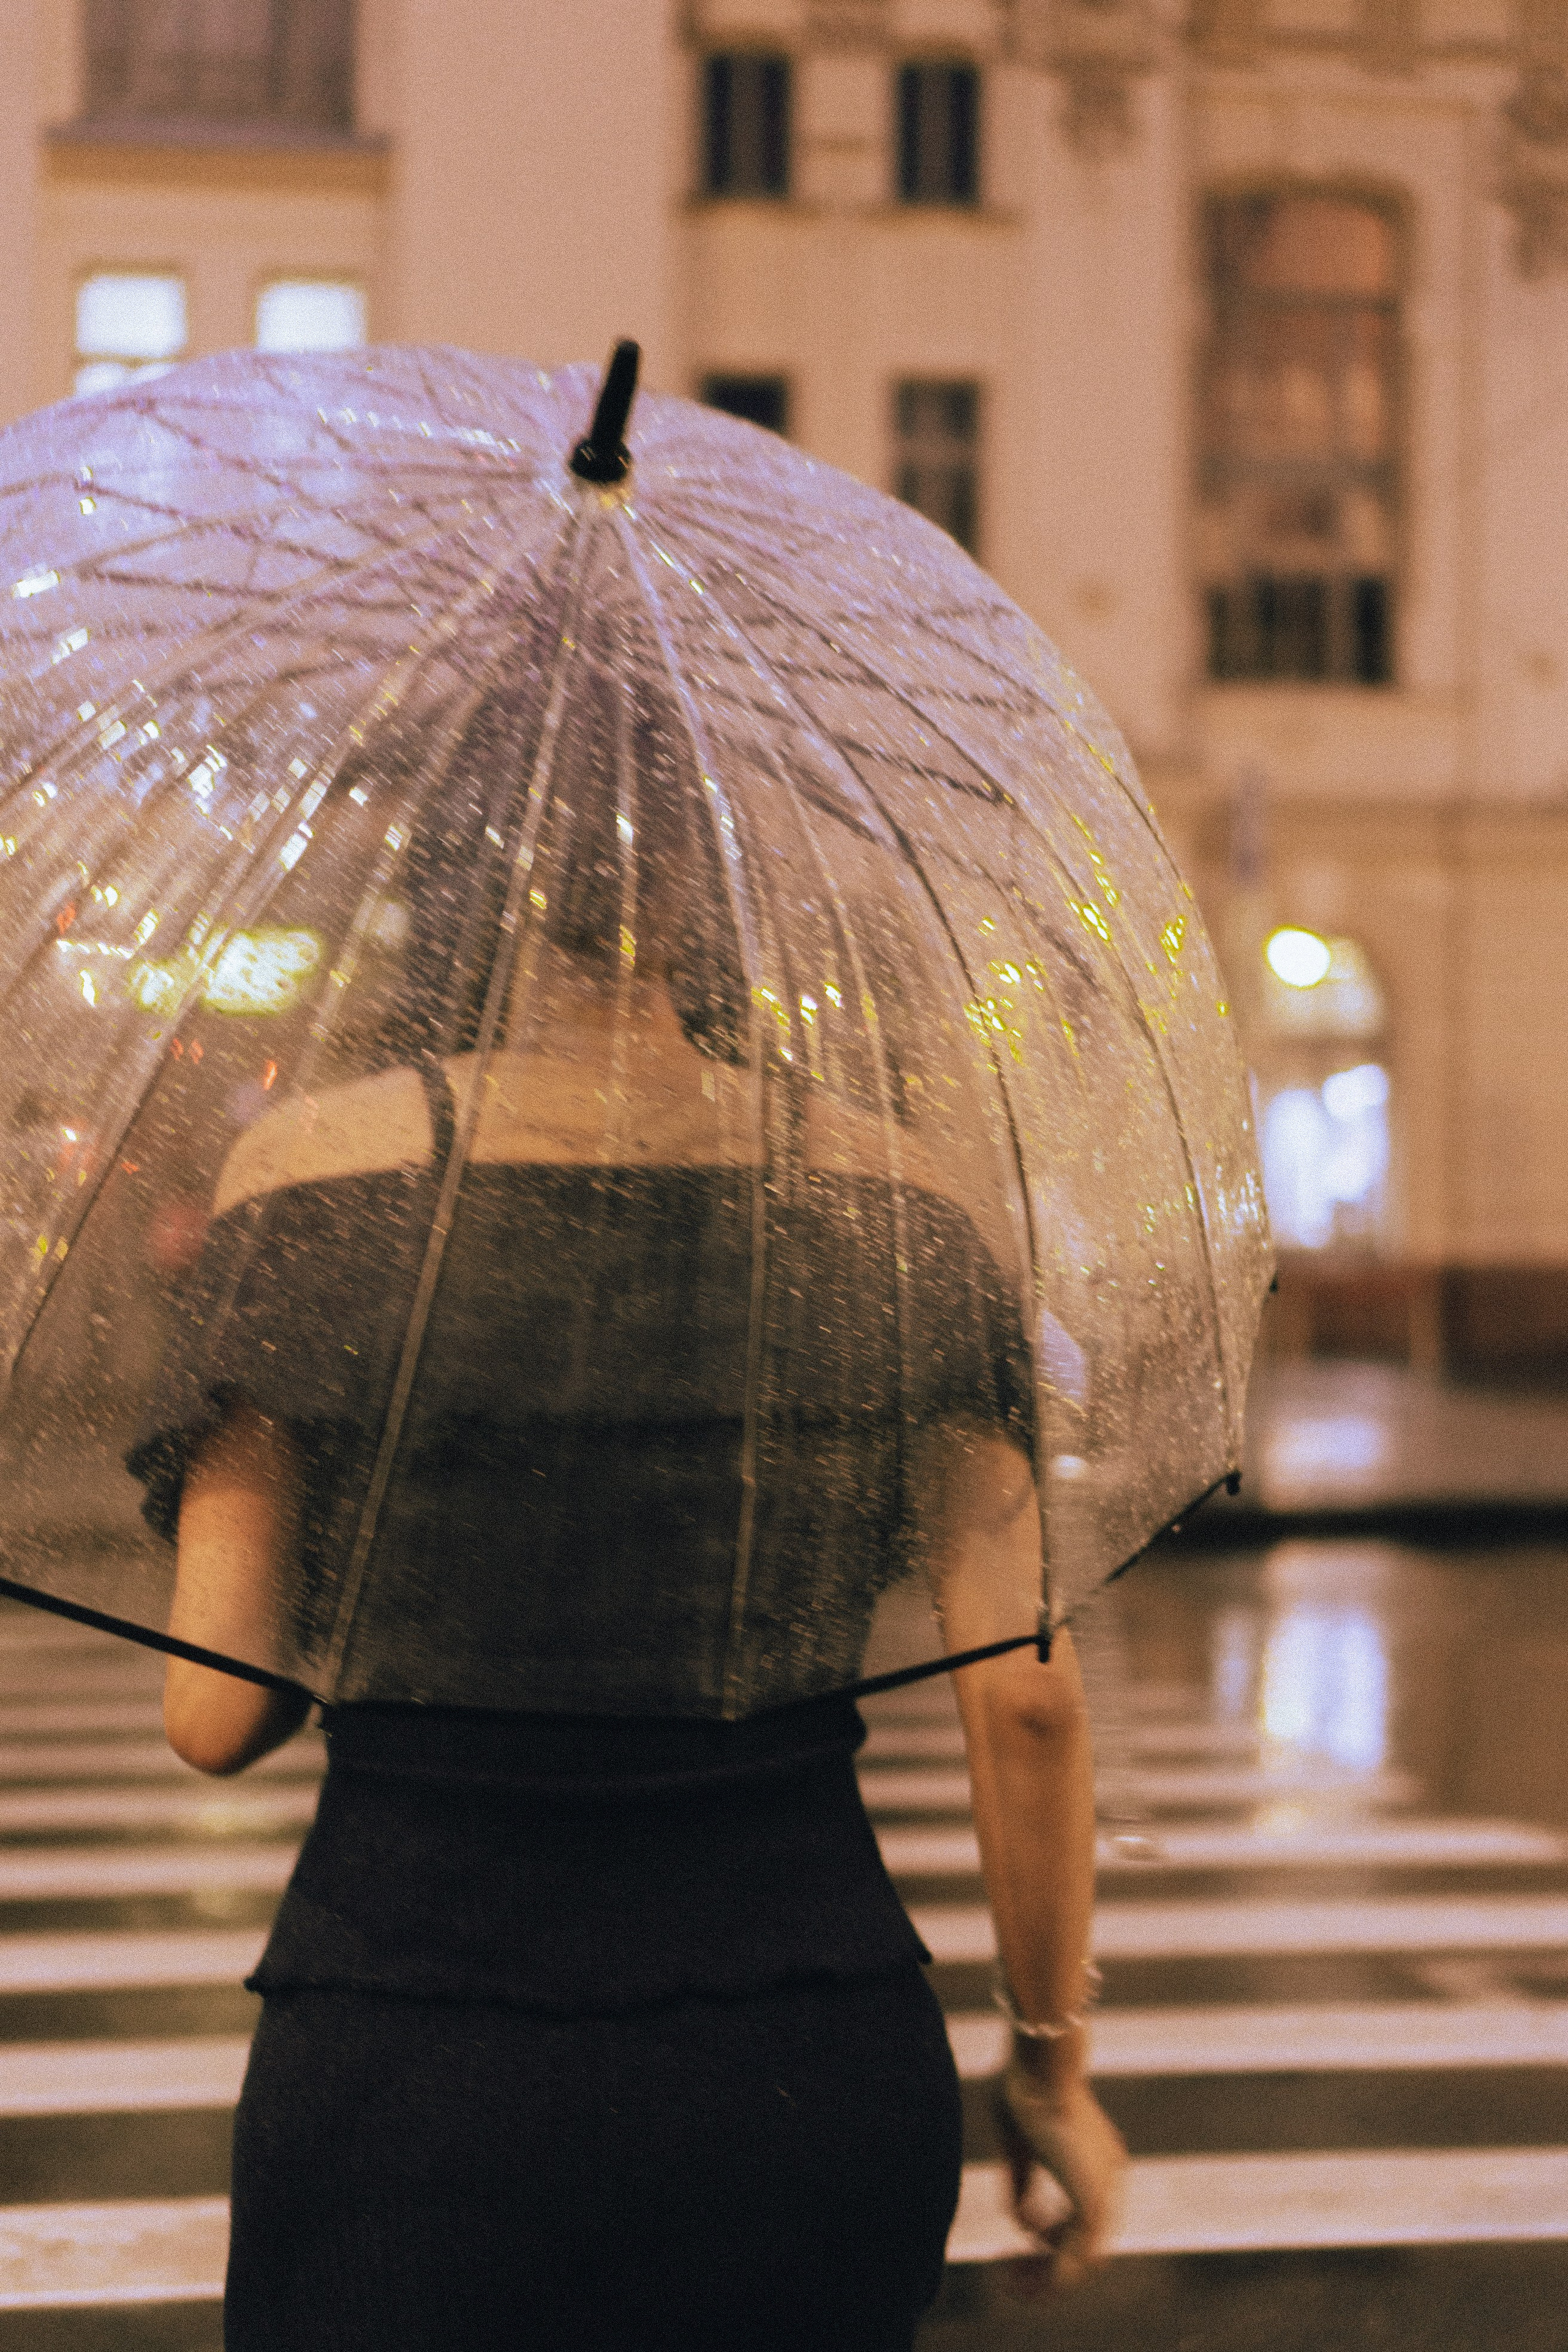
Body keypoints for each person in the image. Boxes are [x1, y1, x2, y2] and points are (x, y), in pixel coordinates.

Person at [136, 728, 1126, 2349]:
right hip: (800, 2053)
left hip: (413, 2048)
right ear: (723, 905)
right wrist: (1048, 2069)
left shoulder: (302, 1184)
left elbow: (212, 1711)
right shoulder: (901, 1204)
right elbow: (1028, 1701)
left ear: (471, 889)